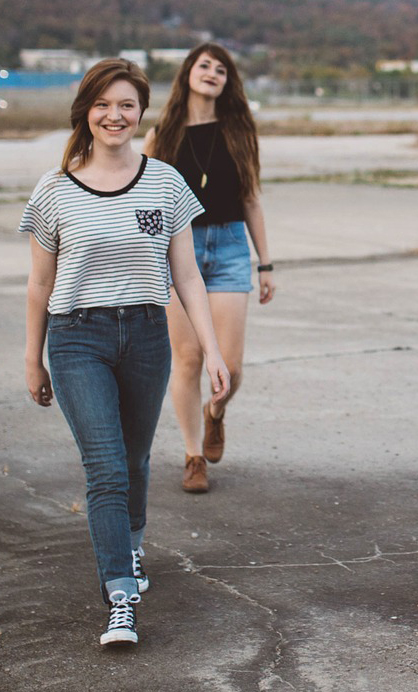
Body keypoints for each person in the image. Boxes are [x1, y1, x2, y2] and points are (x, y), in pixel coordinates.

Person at [21, 58, 229, 646]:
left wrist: (212, 350)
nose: (114, 116)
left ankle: (131, 545)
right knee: (106, 467)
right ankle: (119, 596)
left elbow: (187, 276)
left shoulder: (165, 182)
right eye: (103, 105)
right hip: (76, 338)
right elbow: (40, 283)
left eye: (126, 105)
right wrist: (32, 357)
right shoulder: (54, 188)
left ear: (141, 112)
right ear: (85, 111)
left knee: (135, 461)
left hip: (145, 335)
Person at [144, 43, 274, 493]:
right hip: (178, 250)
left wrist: (266, 263)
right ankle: (193, 455)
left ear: (227, 82)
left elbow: (251, 199)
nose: (212, 73)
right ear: (188, 73)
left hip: (231, 247)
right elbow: (148, 200)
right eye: (204, 65)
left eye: (221, 69)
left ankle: (214, 413)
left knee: (230, 366)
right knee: (189, 358)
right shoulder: (161, 134)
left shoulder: (240, 131)